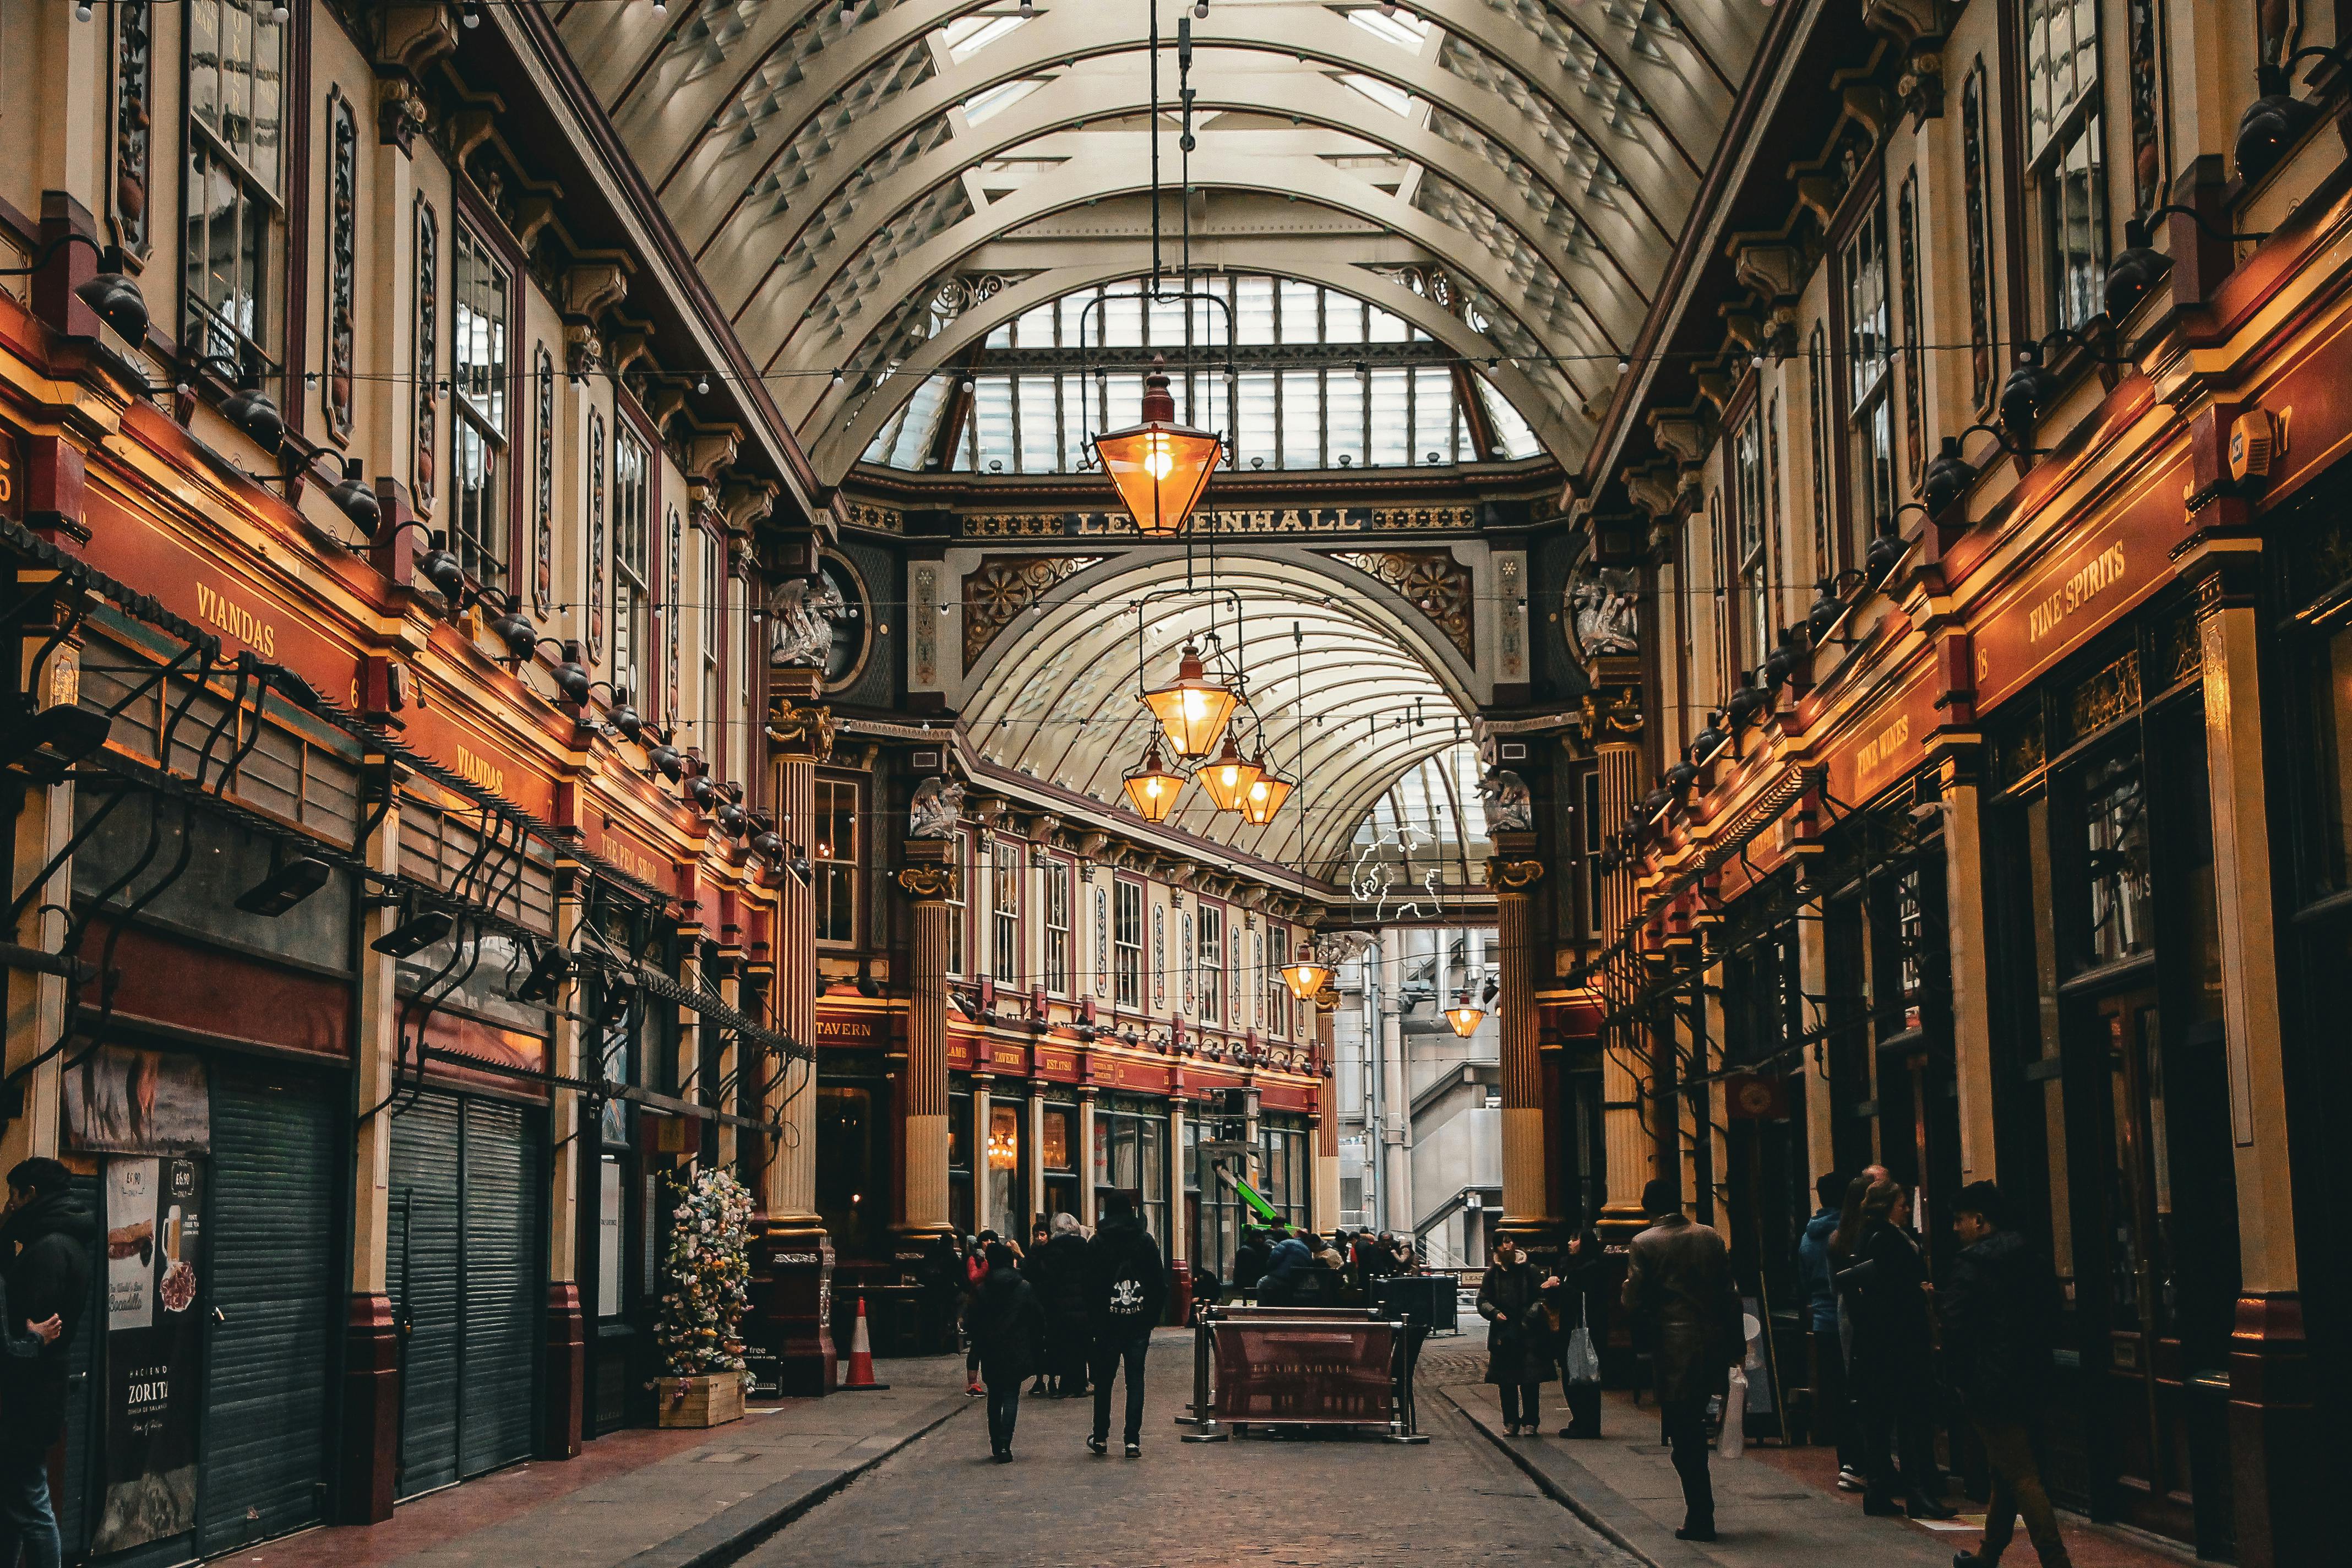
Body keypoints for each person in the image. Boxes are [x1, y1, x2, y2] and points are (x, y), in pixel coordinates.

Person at [1943, 1183, 2071, 1568]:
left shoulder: (1971, 1266)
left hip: (1989, 1385)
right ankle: (1988, 1555)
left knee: (2023, 1477)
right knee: (2006, 1469)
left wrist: (1960, 1380)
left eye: (1959, 1220)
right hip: (2033, 1377)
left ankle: (2056, 1559)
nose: (1956, 1228)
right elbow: (2053, 1312)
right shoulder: (2030, 1257)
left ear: (1980, 1221)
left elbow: (1954, 1327)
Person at [1621, 1178, 1743, 1543]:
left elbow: (1633, 1299)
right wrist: (1736, 1344)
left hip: (1675, 1348)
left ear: (1647, 1207)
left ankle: (1701, 1515)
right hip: (1713, 1343)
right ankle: (1701, 1511)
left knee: (1685, 1436)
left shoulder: (1644, 1242)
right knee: (1694, 1429)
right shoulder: (1709, 1236)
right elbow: (1729, 1293)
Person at [1838, 1178, 1953, 1519]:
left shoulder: (1867, 1234)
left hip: (1878, 1344)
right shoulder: (1887, 1239)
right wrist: (1922, 1293)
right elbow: (1893, 1291)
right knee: (1910, 1413)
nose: (1907, 1209)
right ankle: (1916, 1492)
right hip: (1898, 1343)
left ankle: (1877, 1491)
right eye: (1903, 1204)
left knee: (1881, 1416)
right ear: (1889, 1206)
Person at [2, 1158, 95, 1568]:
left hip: (24, 1401)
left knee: (32, 1506)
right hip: (36, 1396)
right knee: (14, 1506)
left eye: (13, 1196)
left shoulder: (48, 1251)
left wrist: (30, 1338)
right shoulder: (63, 1242)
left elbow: (22, 1333)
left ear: (31, 1195)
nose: (8, 1204)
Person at [1084, 1189, 1166, 1458]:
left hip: (1107, 1324)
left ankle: (1101, 1437)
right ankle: (1132, 1440)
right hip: (1138, 1324)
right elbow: (1158, 1283)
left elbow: (1089, 1286)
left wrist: (1095, 1319)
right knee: (1135, 1380)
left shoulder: (1097, 1243)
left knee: (1105, 1381)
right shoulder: (1145, 1242)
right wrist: (1150, 1318)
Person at [1798, 1171, 1864, 1491]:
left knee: (1835, 1390)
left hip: (1821, 1320)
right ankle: (1857, 1459)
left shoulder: (1809, 1235)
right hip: (1846, 1317)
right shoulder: (1850, 1231)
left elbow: (1803, 1275)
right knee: (1856, 1390)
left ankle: (1843, 1455)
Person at [968, 1241, 1047, 1462]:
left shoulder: (983, 1290)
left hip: (991, 1349)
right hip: (1016, 1347)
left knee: (995, 1395)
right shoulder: (1024, 1287)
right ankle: (1005, 1444)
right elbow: (1038, 1316)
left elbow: (973, 1320)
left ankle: (996, 1443)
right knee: (1011, 1394)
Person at [1475, 1235, 1555, 1436]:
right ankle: (1511, 1421)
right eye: (1502, 1243)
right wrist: (1494, 1313)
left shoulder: (1530, 1270)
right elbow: (1483, 1299)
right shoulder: (1492, 1274)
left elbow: (1541, 1297)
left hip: (1528, 1331)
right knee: (1506, 1382)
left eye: (1509, 1241)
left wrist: (1531, 1315)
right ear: (1496, 1249)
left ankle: (1531, 1421)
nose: (1507, 1246)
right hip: (1504, 1333)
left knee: (1530, 1380)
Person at [1553, 1224, 1610, 1439]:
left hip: (1586, 1330)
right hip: (1571, 1328)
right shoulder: (1569, 1266)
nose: (1570, 1243)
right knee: (1572, 1376)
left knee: (1586, 1377)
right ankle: (1580, 1419)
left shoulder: (1593, 1268)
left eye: (1575, 1239)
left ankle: (1588, 1424)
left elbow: (1583, 1297)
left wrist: (1560, 1286)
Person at [1026, 1212, 1092, 1397]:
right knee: (1079, 1346)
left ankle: (1063, 1386)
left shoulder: (1053, 1250)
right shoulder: (1083, 1247)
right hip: (1081, 1305)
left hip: (1058, 1305)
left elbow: (1043, 1277)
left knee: (1062, 1345)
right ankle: (1078, 1385)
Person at [1255, 1225, 1313, 1306]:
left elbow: (1274, 1259)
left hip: (1282, 1278)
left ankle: (1263, 1311)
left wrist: (1269, 1270)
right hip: (1297, 1282)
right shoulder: (1307, 1249)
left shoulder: (1285, 1243)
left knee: (1262, 1283)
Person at [1233, 1224, 1271, 1298]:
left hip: (1248, 1283)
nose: (1260, 1241)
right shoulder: (1248, 1251)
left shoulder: (1245, 1249)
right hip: (1251, 1284)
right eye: (1258, 1238)